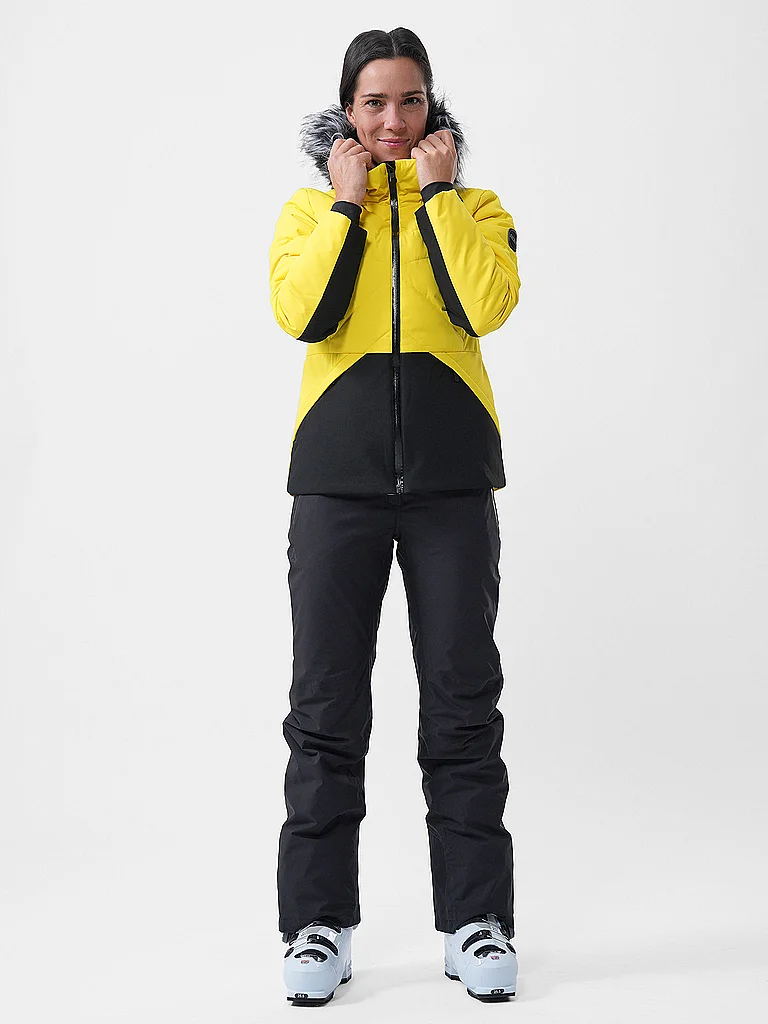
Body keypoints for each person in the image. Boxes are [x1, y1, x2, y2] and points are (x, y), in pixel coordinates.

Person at [268, 26, 521, 1006]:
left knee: (463, 708)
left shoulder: (476, 208)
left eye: (409, 100)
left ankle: (476, 922)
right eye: (373, 102)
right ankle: (316, 926)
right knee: (325, 712)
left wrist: (439, 197)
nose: (392, 120)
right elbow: (304, 314)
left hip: (453, 489)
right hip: (336, 489)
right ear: (348, 110)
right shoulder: (307, 211)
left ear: (430, 107)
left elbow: (484, 305)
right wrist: (347, 204)